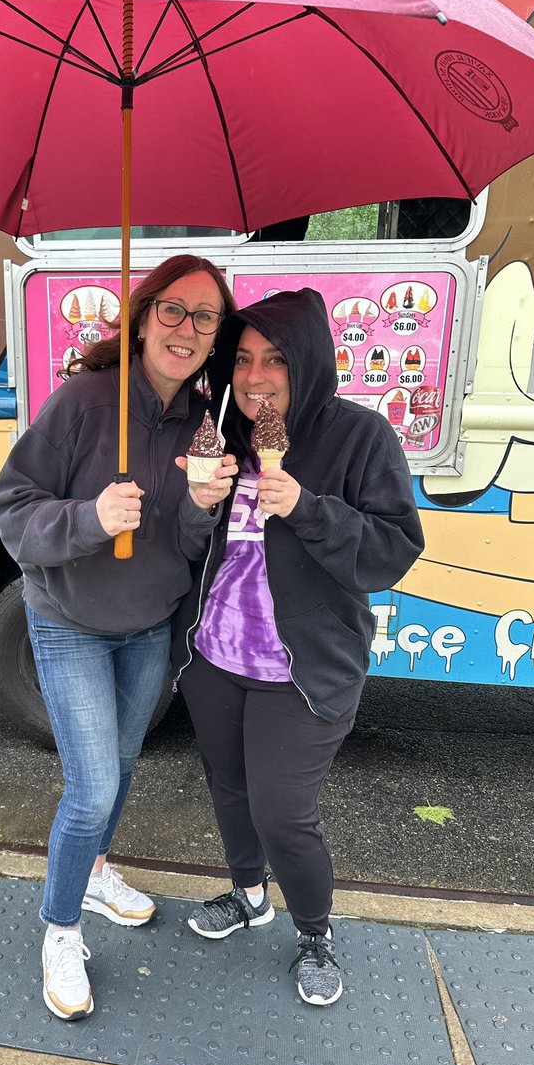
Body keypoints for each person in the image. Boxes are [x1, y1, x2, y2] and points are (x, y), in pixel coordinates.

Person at [0, 254, 238, 1021]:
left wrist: (201, 506)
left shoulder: (205, 422)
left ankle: (96, 871)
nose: (187, 329)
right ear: (142, 315)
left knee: (125, 761)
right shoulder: (85, 401)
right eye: (173, 310)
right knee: (92, 785)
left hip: (148, 626)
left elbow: (194, 547)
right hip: (68, 624)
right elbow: (13, 510)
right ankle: (59, 929)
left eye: (205, 317)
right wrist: (91, 519)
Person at [171, 288, 424, 1006]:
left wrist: (306, 508)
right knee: (230, 790)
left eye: (274, 359)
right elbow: (184, 551)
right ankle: (249, 895)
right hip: (214, 658)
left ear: (306, 362)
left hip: (304, 669)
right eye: (242, 359)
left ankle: (314, 929)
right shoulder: (215, 431)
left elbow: (392, 551)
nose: (254, 377)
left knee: (283, 810)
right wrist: (194, 508)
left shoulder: (358, 437)